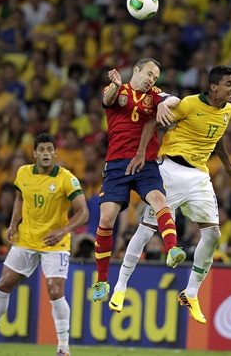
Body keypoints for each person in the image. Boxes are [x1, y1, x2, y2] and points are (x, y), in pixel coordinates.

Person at [107, 65, 231, 324]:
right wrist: (140, 154)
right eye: (229, 84)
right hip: (171, 170)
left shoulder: (227, 110)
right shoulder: (189, 105)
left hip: (199, 177)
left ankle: (191, 293)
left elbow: (218, 135)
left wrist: (226, 163)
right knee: (146, 230)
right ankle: (121, 285)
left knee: (213, 233)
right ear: (213, 86)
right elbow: (151, 123)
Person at [0, 133, 89, 356]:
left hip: (55, 243)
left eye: (49, 149)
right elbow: (20, 198)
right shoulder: (23, 172)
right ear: (34, 153)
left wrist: (62, 231)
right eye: (41, 149)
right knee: (4, 284)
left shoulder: (66, 178)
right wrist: (13, 224)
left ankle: (63, 348)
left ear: (55, 153)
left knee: (54, 291)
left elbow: (83, 212)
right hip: (26, 238)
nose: (45, 153)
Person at [90, 59, 187, 302]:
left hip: (146, 164)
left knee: (158, 199)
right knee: (106, 218)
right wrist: (114, 85)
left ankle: (173, 248)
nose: (151, 80)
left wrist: (165, 104)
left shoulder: (153, 95)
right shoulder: (117, 90)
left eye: (155, 77)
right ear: (136, 70)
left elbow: (175, 99)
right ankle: (102, 281)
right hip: (117, 165)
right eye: (149, 74)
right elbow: (107, 99)